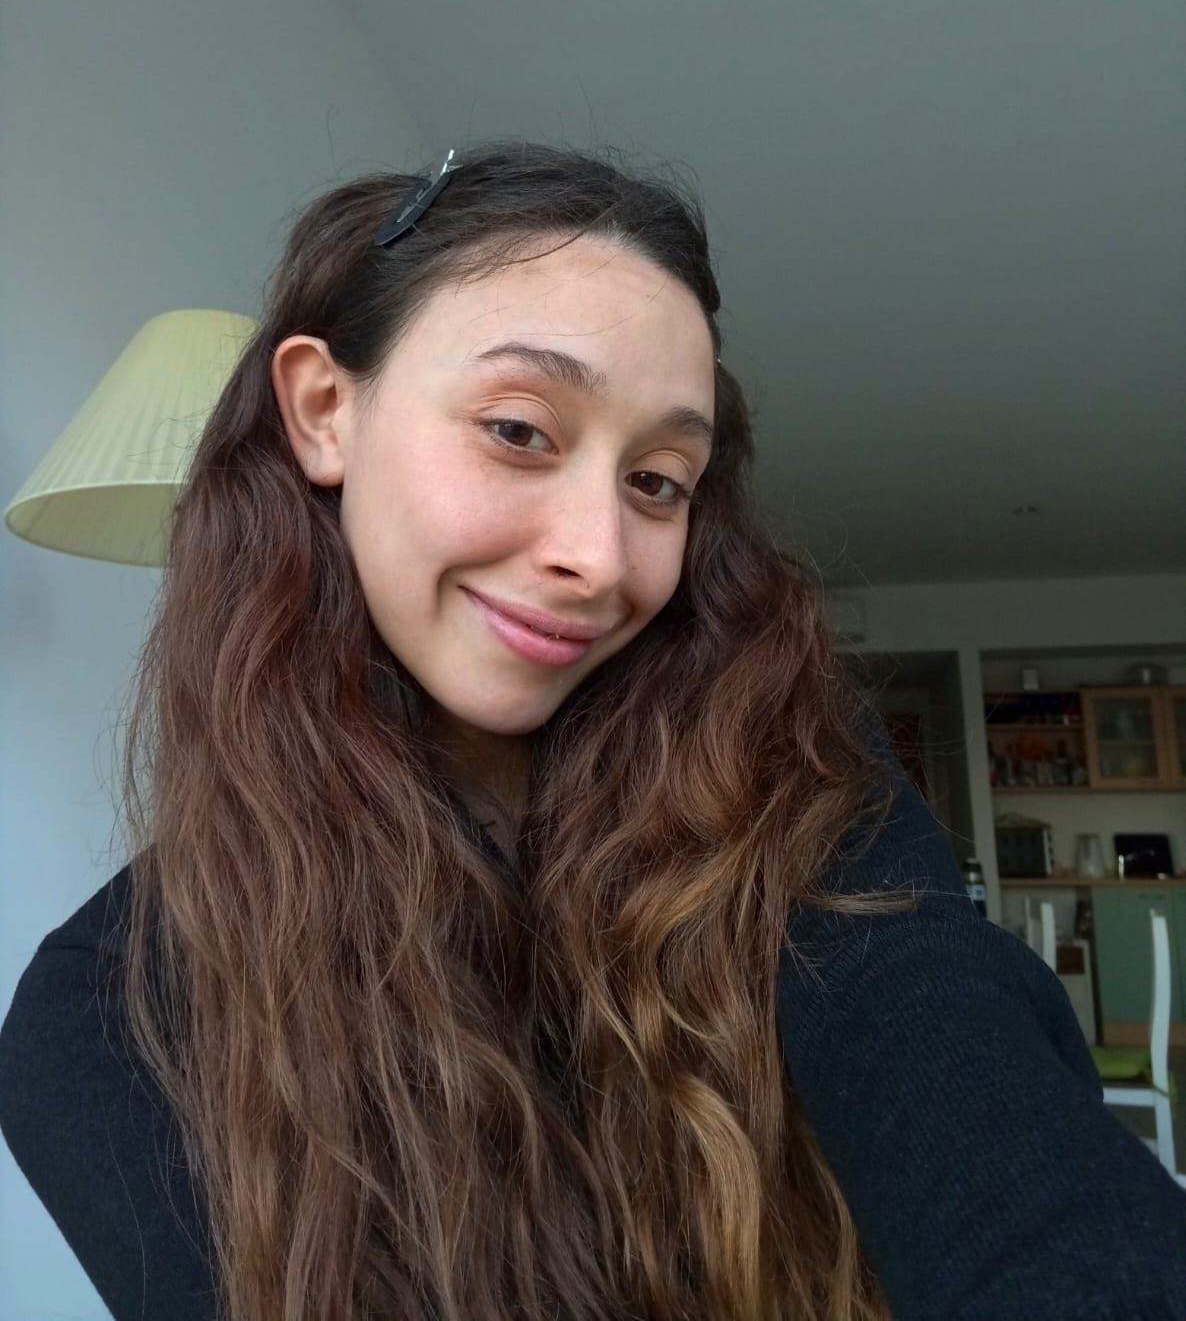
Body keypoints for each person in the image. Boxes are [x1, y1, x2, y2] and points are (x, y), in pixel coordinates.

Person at [1, 144, 1183, 1321]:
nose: (602, 557)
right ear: (322, 410)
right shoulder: (102, 1013)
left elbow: (966, 1090)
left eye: (658, 481)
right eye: (519, 430)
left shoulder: (781, 770)